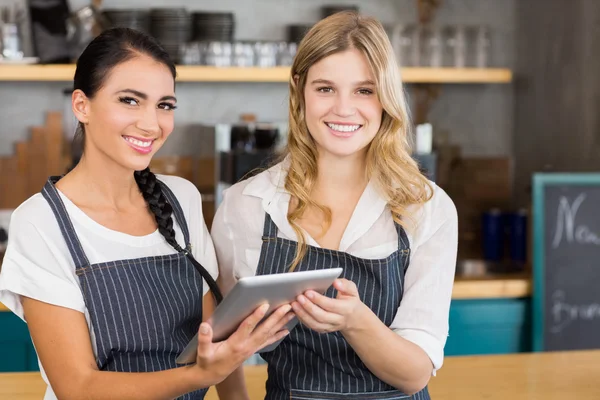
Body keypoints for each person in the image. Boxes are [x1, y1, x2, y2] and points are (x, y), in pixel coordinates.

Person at [0, 27, 293, 400]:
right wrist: (198, 375)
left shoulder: (181, 200)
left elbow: (215, 337)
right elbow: (77, 387)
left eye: (164, 105)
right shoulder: (41, 223)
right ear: (81, 105)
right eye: (129, 100)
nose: (152, 124)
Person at [211, 11, 458, 400]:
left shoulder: (426, 208)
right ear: (299, 90)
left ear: (387, 98)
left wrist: (356, 321)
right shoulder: (247, 205)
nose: (344, 109)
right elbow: (220, 345)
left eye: (364, 90)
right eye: (325, 88)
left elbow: (415, 375)